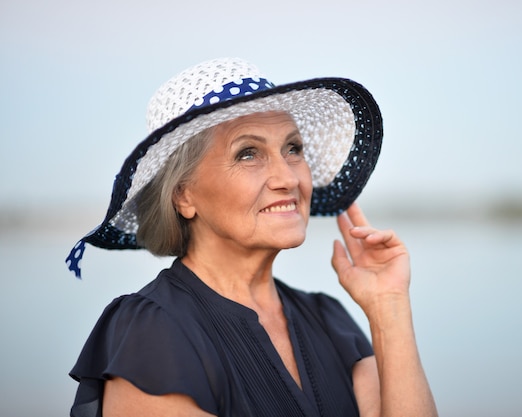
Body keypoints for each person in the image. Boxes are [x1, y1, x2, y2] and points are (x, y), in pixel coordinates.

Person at [66, 57, 437, 417]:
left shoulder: (329, 320)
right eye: (248, 154)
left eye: (293, 149)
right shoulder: (153, 330)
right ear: (184, 195)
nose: (288, 178)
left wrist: (389, 307)